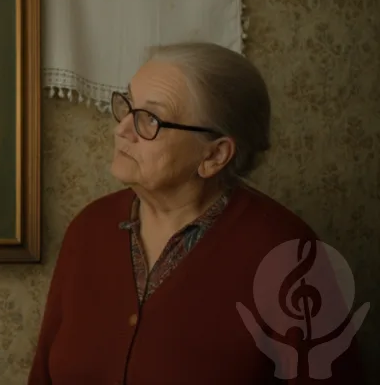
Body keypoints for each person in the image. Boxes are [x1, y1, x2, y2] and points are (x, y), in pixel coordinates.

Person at [27, 42, 366, 385]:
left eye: (150, 119)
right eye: (127, 105)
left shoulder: (289, 256)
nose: (121, 130)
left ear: (215, 156)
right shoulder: (89, 228)